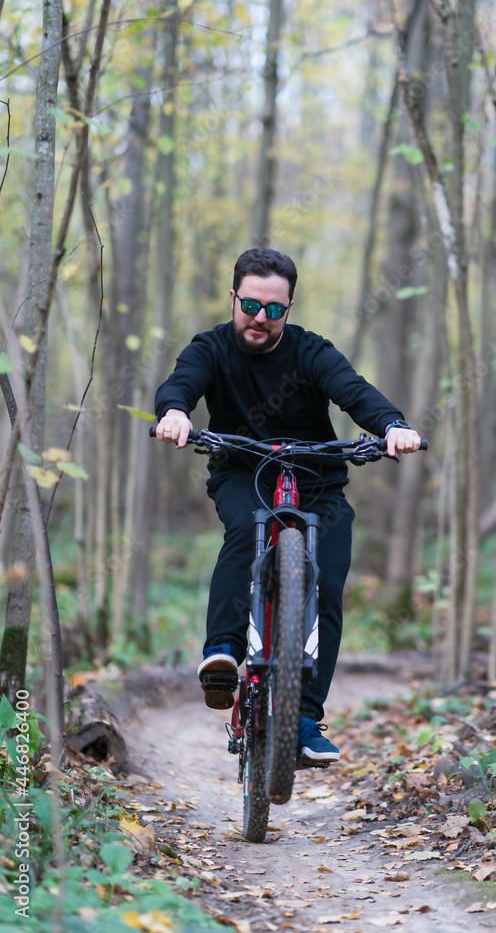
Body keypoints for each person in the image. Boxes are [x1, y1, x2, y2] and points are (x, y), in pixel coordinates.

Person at [154, 247, 421, 763]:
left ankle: (303, 718)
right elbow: (180, 383)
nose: (261, 318)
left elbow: (353, 390)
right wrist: (175, 412)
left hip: (317, 476)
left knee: (328, 581)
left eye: (275, 309)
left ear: (289, 308)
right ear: (234, 297)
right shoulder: (209, 348)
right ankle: (224, 654)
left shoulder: (309, 351)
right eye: (251, 305)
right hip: (242, 469)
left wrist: (391, 426)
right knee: (242, 534)